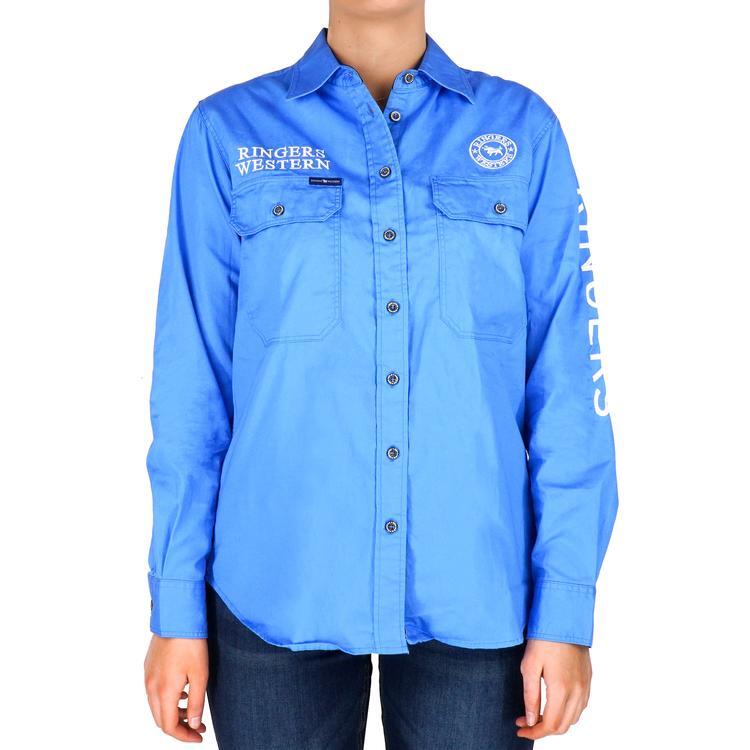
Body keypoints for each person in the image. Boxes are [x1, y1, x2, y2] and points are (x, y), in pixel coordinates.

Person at [143, 0, 619, 747]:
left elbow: (567, 384)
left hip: (474, 584)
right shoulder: (227, 132)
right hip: (275, 581)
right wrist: (176, 608)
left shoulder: (524, 131)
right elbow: (191, 382)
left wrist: (565, 607)